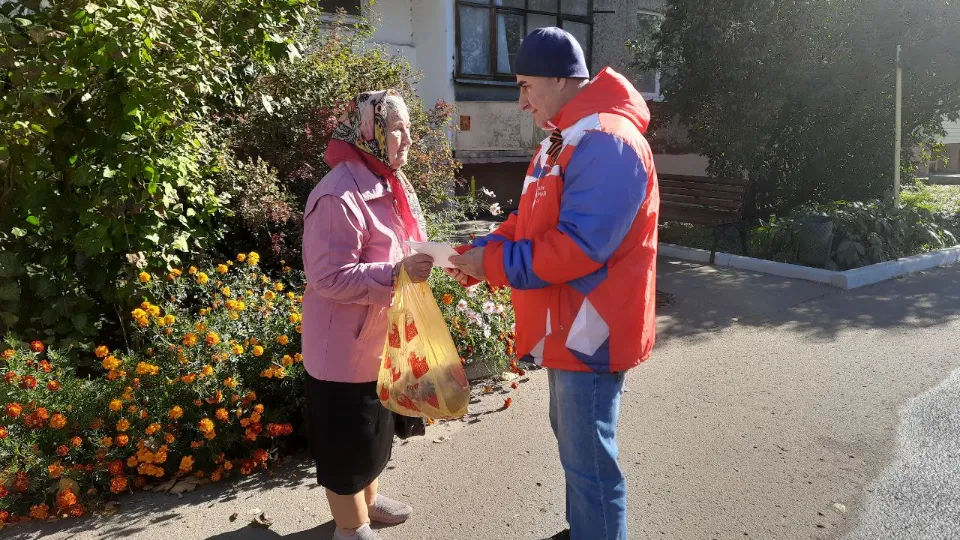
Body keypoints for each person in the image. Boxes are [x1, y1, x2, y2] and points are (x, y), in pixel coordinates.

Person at [450, 28, 660, 540]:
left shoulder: (606, 139)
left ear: (561, 79)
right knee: (577, 452)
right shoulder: (565, 138)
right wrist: (479, 253)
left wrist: (493, 265)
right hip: (572, 327)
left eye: (525, 86)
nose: (521, 101)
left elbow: (579, 248)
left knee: (590, 463)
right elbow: (527, 222)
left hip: (591, 331)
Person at [302, 90, 434, 540]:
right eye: (396, 129)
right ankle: (350, 527)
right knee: (345, 446)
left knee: (374, 436)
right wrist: (396, 272)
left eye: (409, 129)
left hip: (380, 340)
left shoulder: (391, 183)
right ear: (369, 132)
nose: (407, 139)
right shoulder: (339, 194)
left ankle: (370, 502)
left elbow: (401, 246)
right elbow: (328, 277)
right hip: (342, 350)